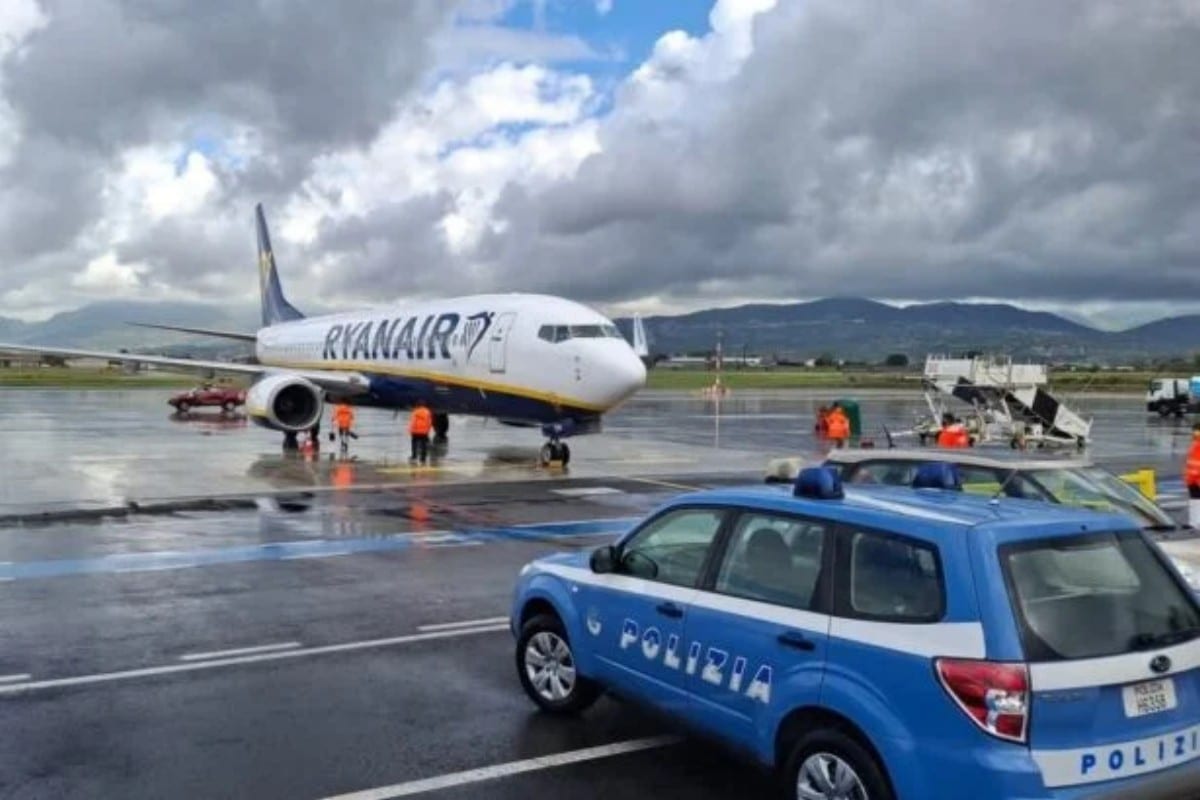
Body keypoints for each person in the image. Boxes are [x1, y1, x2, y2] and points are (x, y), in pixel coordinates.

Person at [409, 400, 433, 465]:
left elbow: (413, 421)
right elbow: (429, 422)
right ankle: (423, 459)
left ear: (418, 405)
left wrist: (410, 430)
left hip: (415, 431)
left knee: (414, 445)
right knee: (424, 445)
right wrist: (428, 430)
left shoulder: (416, 411)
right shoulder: (427, 412)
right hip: (424, 431)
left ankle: (414, 457)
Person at [1185, 423, 1200, 526]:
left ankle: (1195, 523)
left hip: (1197, 478)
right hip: (1192, 479)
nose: (1195, 433)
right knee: (1194, 501)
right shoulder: (1195, 443)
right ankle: (1194, 523)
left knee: (1196, 501)